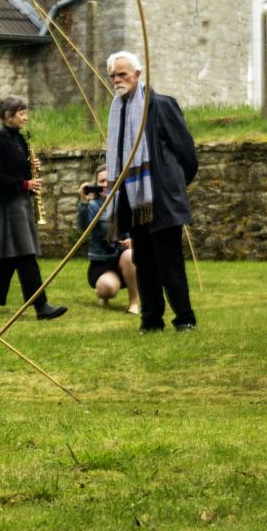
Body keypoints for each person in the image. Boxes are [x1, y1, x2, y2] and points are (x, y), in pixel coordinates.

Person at [105, 51, 198, 333]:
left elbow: (186, 153)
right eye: (113, 76)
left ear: (137, 74)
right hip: (134, 201)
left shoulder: (160, 104)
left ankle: (184, 318)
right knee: (143, 262)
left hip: (161, 199)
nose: (117, 80)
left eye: (122, 74)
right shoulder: (118, 110)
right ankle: (151, 320)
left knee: (170, 262)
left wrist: (171, 184)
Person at [0, 96, 67, 320]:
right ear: (8, 116)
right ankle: (41, 306)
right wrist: (24, 184)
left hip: (22, 202)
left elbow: (17, 170)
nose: (26, 118)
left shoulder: (18, 139)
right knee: (26, 253)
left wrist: (31, 168)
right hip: (11, 203)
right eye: (21, 114)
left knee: (10, 255)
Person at [76, 165, 139, 313]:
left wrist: (133, 240)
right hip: (102, 262)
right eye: (101, 181)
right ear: (96, 185)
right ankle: (103, 293)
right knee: (107, 289)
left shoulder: (126, 204)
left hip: (125, 260)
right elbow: (83, 228)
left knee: (130, 255)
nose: (105, 184)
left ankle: (134, 303)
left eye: (108, 180)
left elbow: (138, 228)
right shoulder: (93, 206)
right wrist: (83, 201)